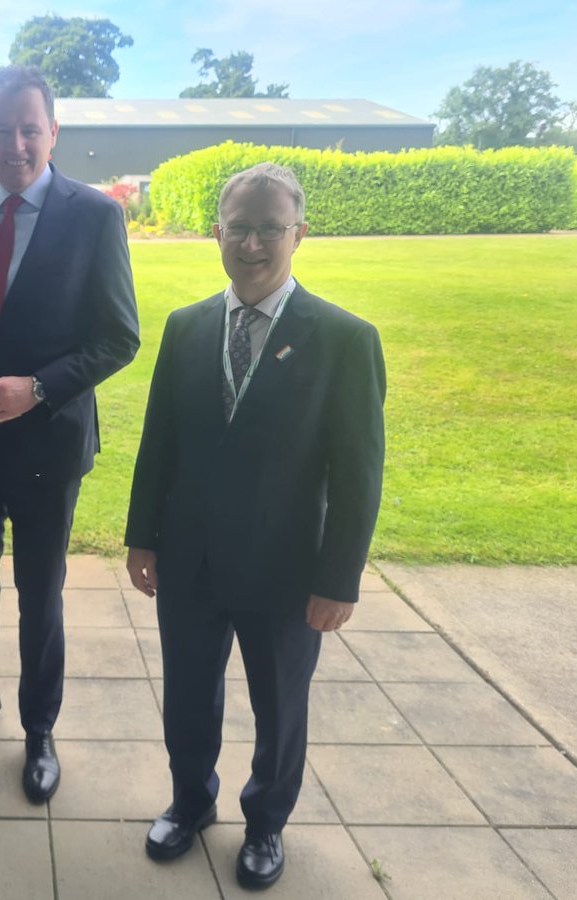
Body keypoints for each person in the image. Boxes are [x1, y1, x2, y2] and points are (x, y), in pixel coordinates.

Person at [125, 163, 386, 888]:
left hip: (287, 571)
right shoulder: (187, 327)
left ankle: (266, 823)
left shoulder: (343, 339)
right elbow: (161, 443)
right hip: (191, 562)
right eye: (239, 226)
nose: (253, 243)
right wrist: (142, 536)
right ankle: (189, 802)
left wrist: (340, 579)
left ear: (299, 234)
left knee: (279, 706)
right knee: (187, 694)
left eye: (271, 228)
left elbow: (359, 473)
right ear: (216, 231)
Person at [0, 65, 140, 803]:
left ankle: (40, 730)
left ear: (53, 132)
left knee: (42, 594)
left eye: (30, 129)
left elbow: (118, 338)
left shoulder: (95, 216)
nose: (16, 144)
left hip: (48, 447)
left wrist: (36, 388)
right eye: (2, 130)